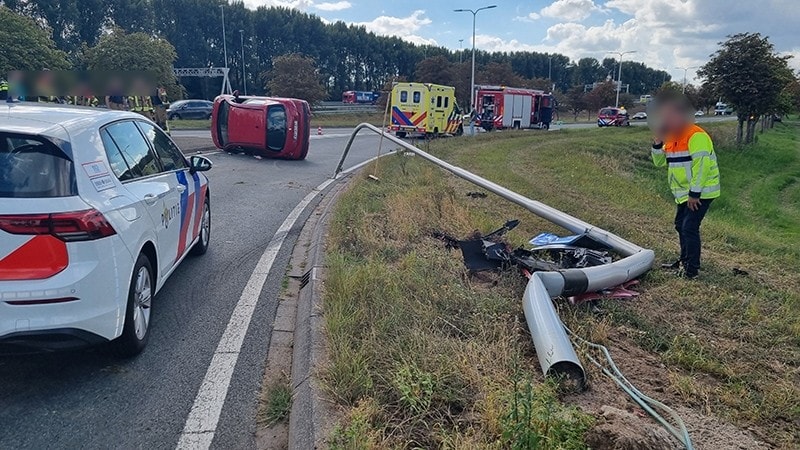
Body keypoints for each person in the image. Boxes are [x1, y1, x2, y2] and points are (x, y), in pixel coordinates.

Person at [650, 92, 721, 279]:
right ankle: (684, 260)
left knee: (689, 226)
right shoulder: (672, 137)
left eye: (669, 116)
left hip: (701, 191)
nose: (664, 120)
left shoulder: (696, 135)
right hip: (683, 192)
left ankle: (691, 269)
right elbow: (660, 163)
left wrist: (695, 193)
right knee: (680, 224)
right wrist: (657, 144)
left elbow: (702, 166)